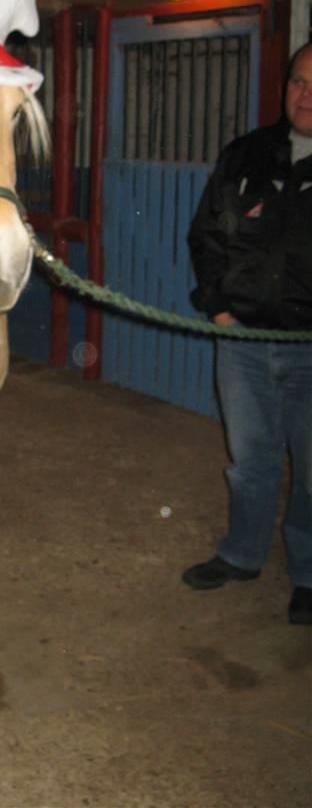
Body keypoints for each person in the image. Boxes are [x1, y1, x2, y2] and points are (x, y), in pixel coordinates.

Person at [183, 41, 312, 626]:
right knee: (250, 459)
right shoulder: (246, 155)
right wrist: (218, 310)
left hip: (308, 349)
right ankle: (243, 554)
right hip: (243, 343)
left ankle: (308, 574)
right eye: (298, 81)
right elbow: (206, 236)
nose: (304, 95)